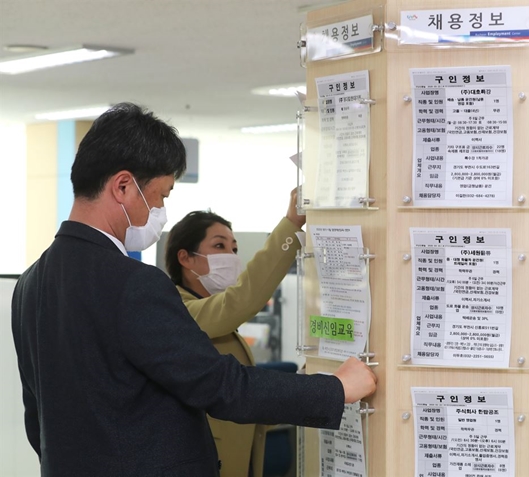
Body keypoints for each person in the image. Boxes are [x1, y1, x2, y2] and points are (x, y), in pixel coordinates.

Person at [11, 102, 377, 477]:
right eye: (161, 196)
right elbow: (221, 386)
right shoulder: (133, 283)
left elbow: (36, 420)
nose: (160, 210)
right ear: (122, 186)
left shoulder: (30, 283)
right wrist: (334, 389)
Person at [164, 191, 304, 477]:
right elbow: (242, 300)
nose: (231, 256)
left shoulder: (213, 315)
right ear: (185, 258)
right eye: (219, 245)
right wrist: (291, 224)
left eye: (234, 249)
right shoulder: (178, 311)